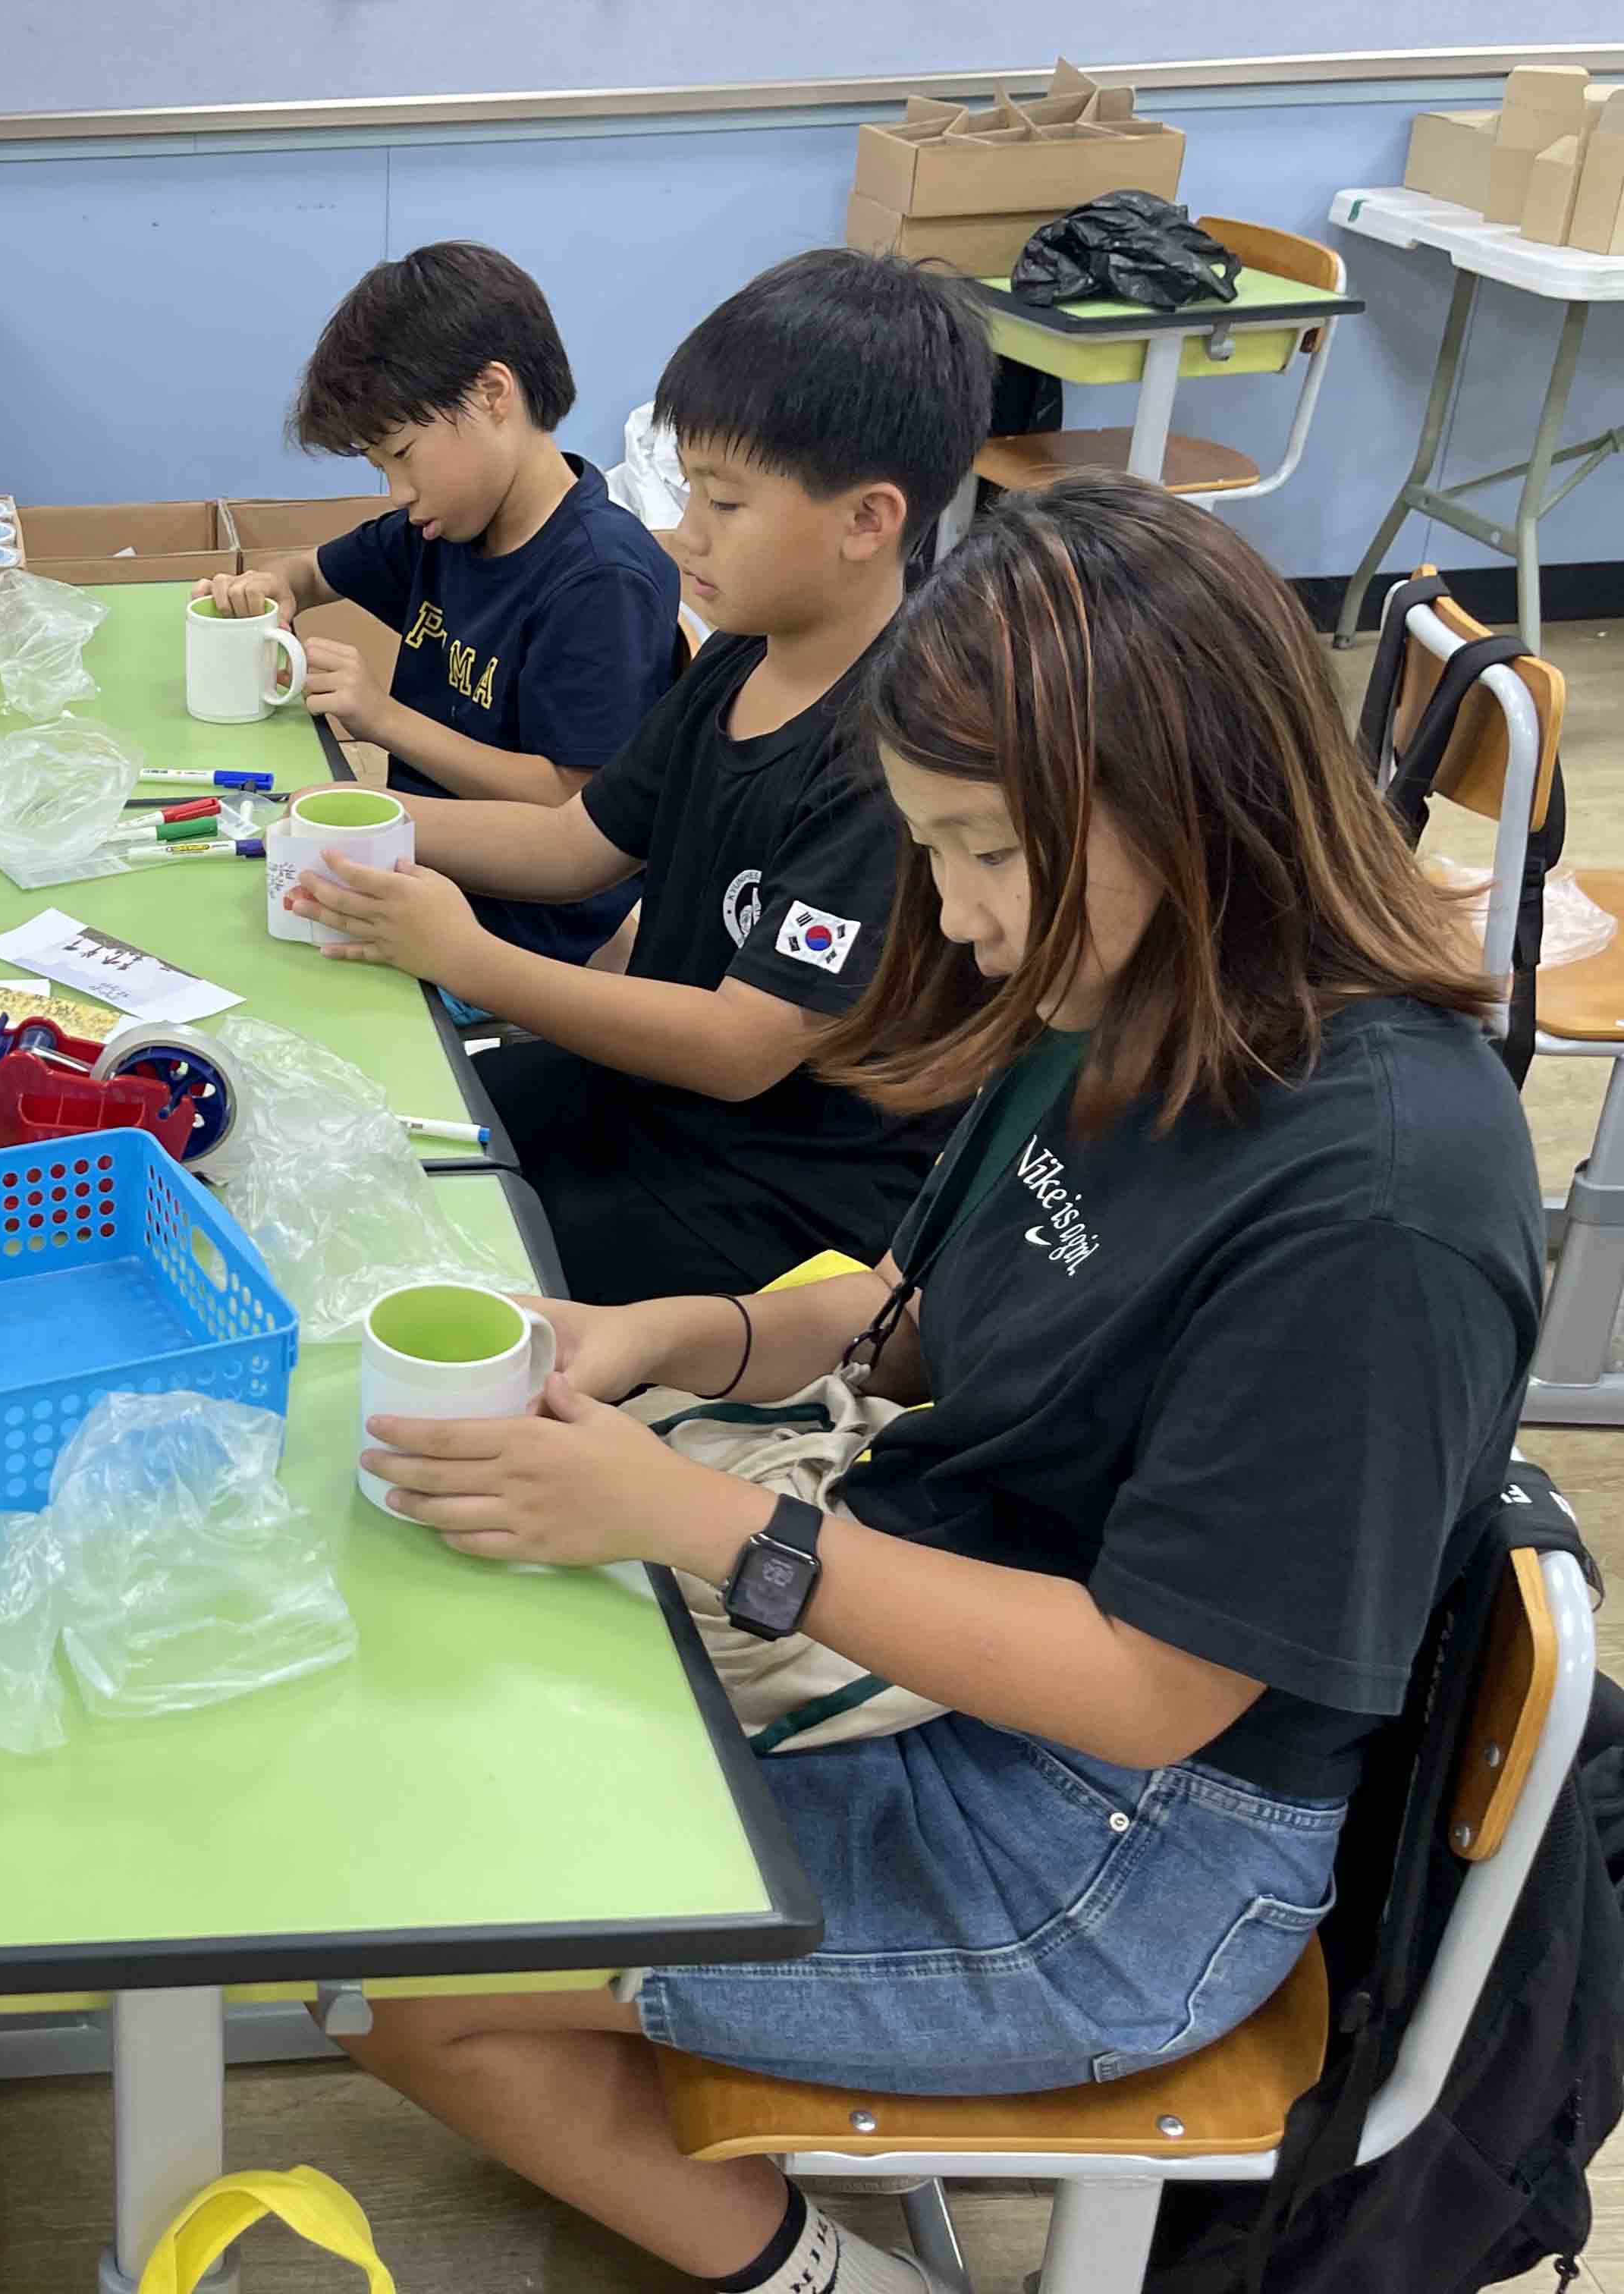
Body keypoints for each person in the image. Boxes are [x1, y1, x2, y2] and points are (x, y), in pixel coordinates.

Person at [348, 476, 1541, 2294]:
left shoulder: (1377, 1203)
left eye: (988, 850)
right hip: (946, 1634)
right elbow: (908, 1309)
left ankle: (842, 2283)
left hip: (1120, 1858)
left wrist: (697, 1515)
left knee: (399, 1971)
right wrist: (670, 1337)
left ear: (1188, 795)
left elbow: (1151, 1693)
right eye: (930, 848)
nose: (960, 913)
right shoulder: (1126, 987)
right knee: (446, 1723)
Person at [291, 250, 991, 1305]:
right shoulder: (742, 655)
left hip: (775, 1195)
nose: (684, 533)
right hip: (649, 1098)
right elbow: (578, 844)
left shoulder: (894, 752)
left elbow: (742, 1048)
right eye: (689, 491)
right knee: (359, 1135)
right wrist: (353, 822)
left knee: (431, 1269)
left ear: (866, 520)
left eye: (725, 503)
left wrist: (468, 957)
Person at [205, 240, 677, 973]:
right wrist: (268, 591)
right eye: (379, 468)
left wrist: (385, 720)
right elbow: (303, 572)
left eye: (403, 455)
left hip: (516, 943)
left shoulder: (600, 580)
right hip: (422, 883)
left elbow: (574, 806)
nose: (397, 492)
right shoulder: (446, 526)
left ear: (493, 395)